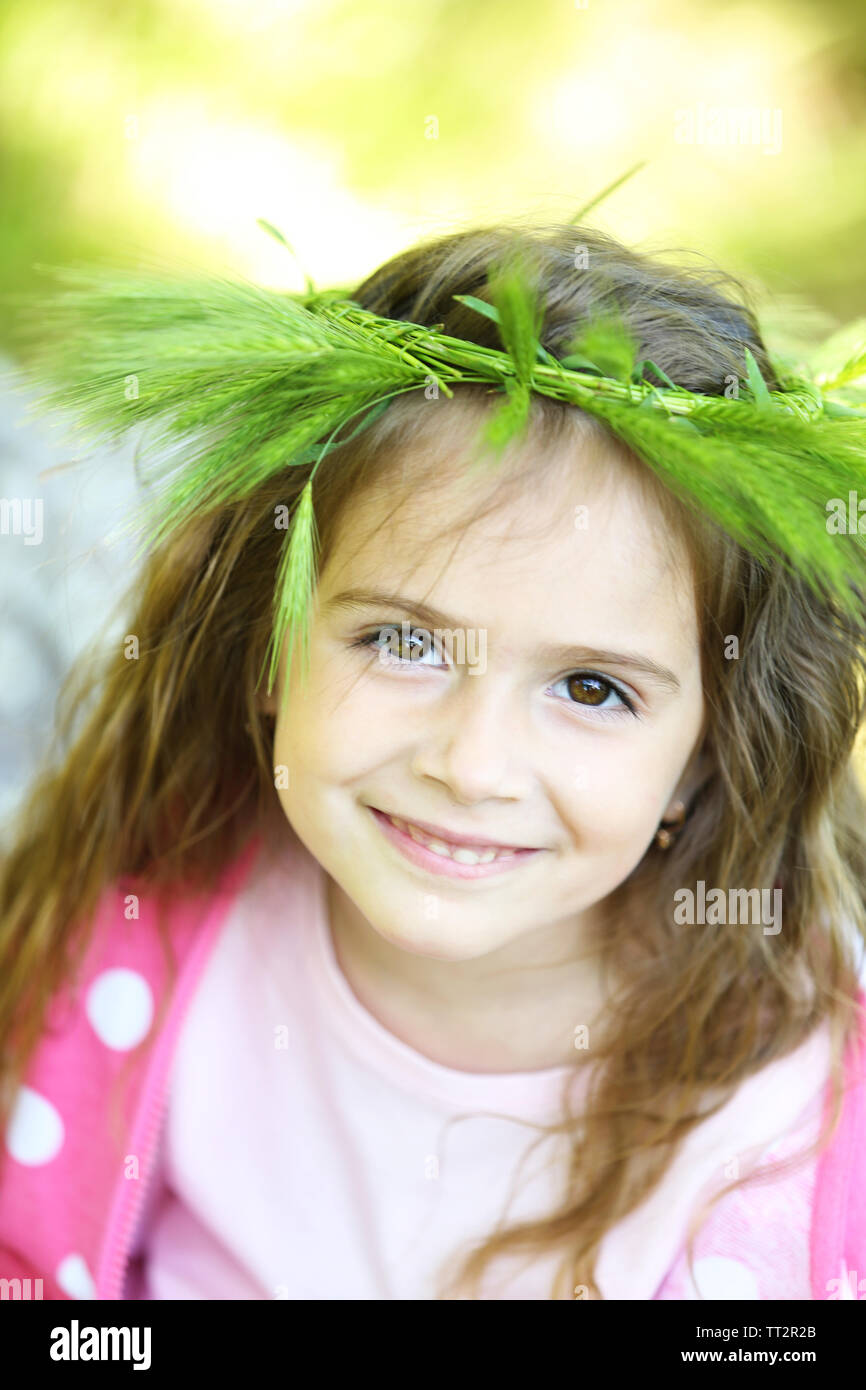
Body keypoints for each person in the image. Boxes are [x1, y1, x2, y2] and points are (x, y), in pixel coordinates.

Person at [1, 223, 865, 1301]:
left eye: (590, 688)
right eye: (402, 641)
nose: (471, 764)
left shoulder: (781, 1120)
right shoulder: (152, 928)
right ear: (267, 638)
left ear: (701, 754)